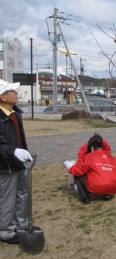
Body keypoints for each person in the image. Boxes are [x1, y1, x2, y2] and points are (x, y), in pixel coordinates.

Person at [0, 80, 33, 245]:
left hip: (20, 163)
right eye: (12, 91)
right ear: (3, 96)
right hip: (5, 165)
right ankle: (5, 231)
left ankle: (23, 224)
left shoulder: (15, 112)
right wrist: (13, 151)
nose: (16, 93)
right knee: (7, 199)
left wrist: (23, 151)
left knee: (23, 195)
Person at [64, 134, 116, 204]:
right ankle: (107, 194)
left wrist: (69, 166)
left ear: (92, 148)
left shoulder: (89, 156)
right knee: (107, 174)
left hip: (97, 186)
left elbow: (79, 170)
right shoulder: (111, 157)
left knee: (77, 175)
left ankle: (85, 198)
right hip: (115, 187)